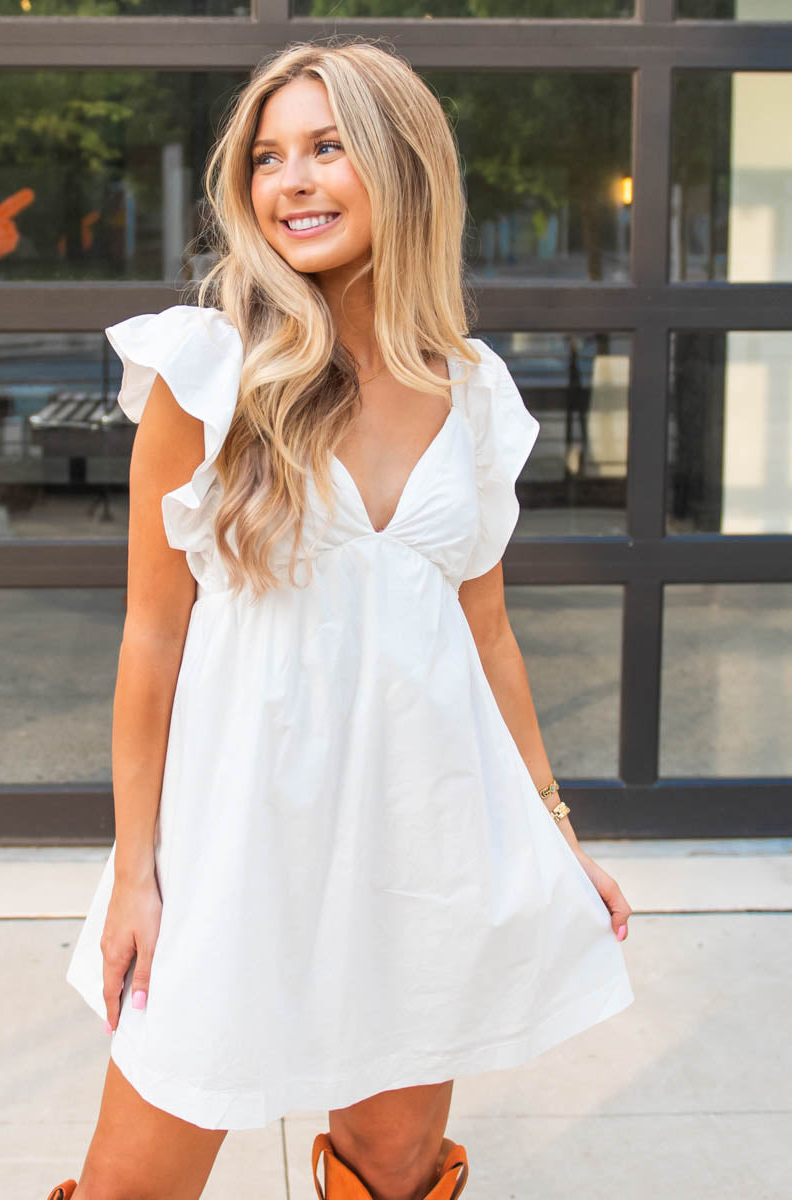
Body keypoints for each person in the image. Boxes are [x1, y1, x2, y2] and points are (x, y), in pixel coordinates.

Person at [53, 36, 634, 1200]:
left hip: (419, 850)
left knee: (395, 1169)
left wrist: (554, 825)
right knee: (132, 1185)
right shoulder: (208, 369)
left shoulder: (474, 388)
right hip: (233, 847)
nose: (291, 182)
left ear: (403, 165)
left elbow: (487, 633)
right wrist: (134, 875)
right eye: (268, 158)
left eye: (326, 148)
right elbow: (151, 637)